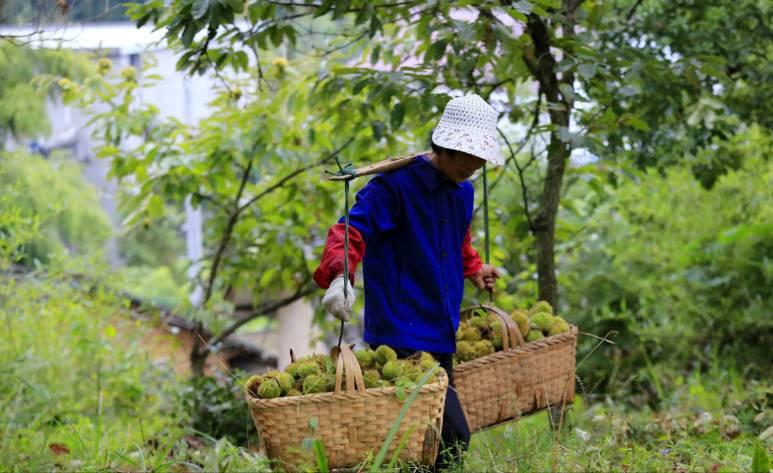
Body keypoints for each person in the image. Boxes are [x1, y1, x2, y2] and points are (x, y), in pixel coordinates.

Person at [313, 94, 503, 468]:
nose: (476, 165)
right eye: (470, 157)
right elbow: (350, 229)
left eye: (481, 158)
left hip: (441, 326)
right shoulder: (394, 188)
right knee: (451, 437)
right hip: (401, 330)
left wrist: (475, 269)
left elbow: (458, 240)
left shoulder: (463, 190)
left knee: (425, 441)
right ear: (446, 148)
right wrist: (341, 275)